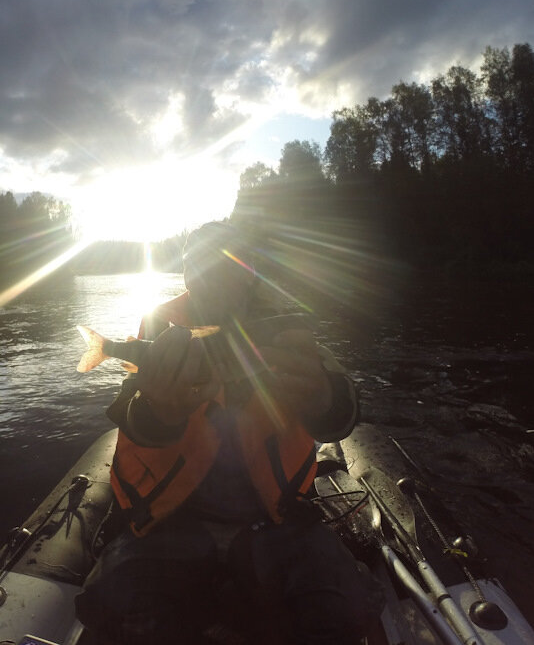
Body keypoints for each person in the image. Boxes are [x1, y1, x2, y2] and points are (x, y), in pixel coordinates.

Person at [76, 221, 383, 644]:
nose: (208, 275)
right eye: (196, 263)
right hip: (170, 518)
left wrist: (321, 397)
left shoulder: (284, 326)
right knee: (110, 606)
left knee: (347, 611)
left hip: (278, 519)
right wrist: (158, 411)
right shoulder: (163, 324)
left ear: (249, 269)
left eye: (225, 263)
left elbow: (341, 415)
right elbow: (129, 410)